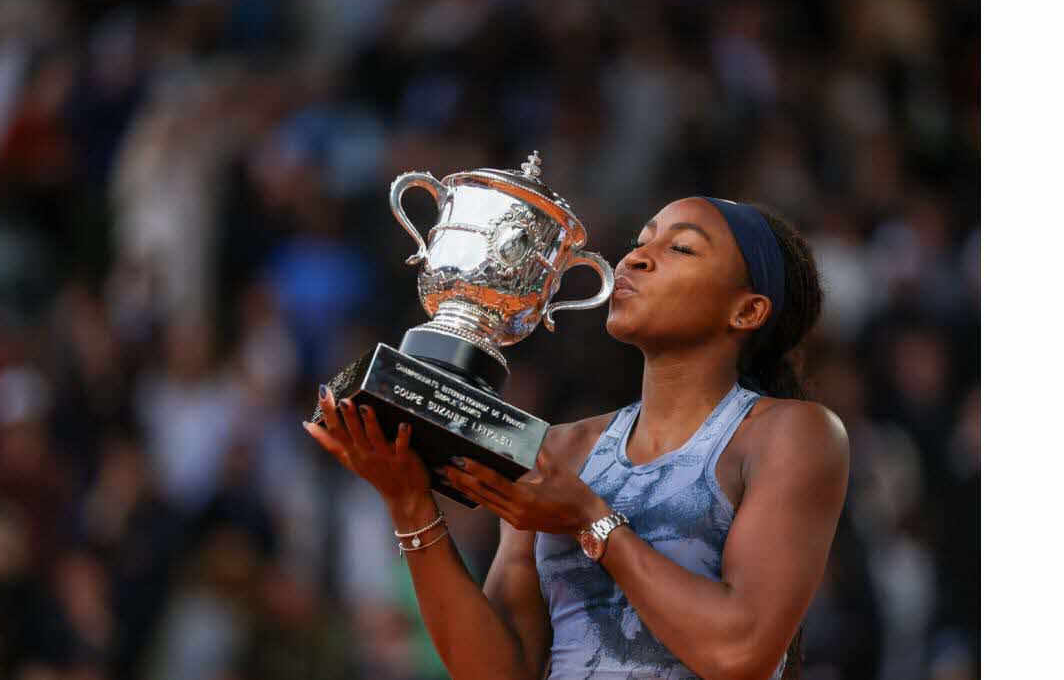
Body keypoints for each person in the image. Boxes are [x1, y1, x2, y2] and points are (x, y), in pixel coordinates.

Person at [303, 197, 850, 680]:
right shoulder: (560, 450)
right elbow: (500, 671)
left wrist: (590, 518)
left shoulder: (791, 433)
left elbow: (741, 654)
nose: (634, 258)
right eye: (640, 242)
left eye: (681, 248)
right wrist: (409, 502)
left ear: (747, 310)